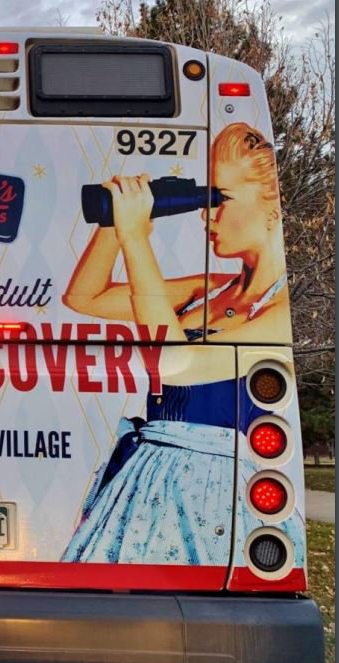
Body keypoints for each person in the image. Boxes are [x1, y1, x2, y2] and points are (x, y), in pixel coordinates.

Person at [60, 122, 302, 565]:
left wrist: (136, 239)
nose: (206, 213)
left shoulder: (282, 310)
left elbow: (180, 364)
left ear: (274, 206)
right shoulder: (209, 289)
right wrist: (118, 220)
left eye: (221, 198)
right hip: (149, 475)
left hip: (216, 496)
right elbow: (84, 296)